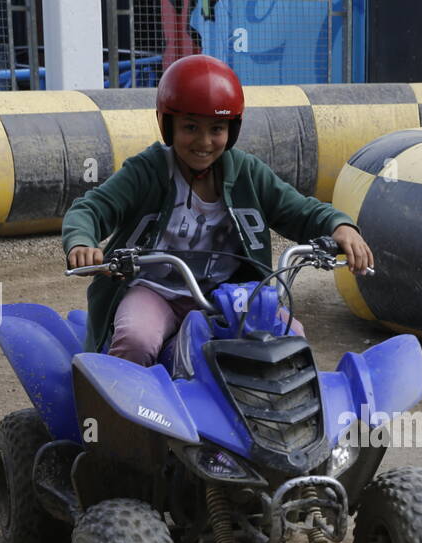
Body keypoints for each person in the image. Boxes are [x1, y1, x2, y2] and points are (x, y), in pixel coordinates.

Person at [63, 54, 374, 365]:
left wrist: (339, 226)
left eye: (216, 129)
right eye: (190, 127)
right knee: (136, 340)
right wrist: (81, 242)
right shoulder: (147, 171)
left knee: (289, 336)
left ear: (232, 129)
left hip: (227, 295)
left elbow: (299, 210)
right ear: (168, 125)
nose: (204, 142)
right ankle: (117, 395)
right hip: (154, 291)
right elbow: (91, 209)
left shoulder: (247, 173)